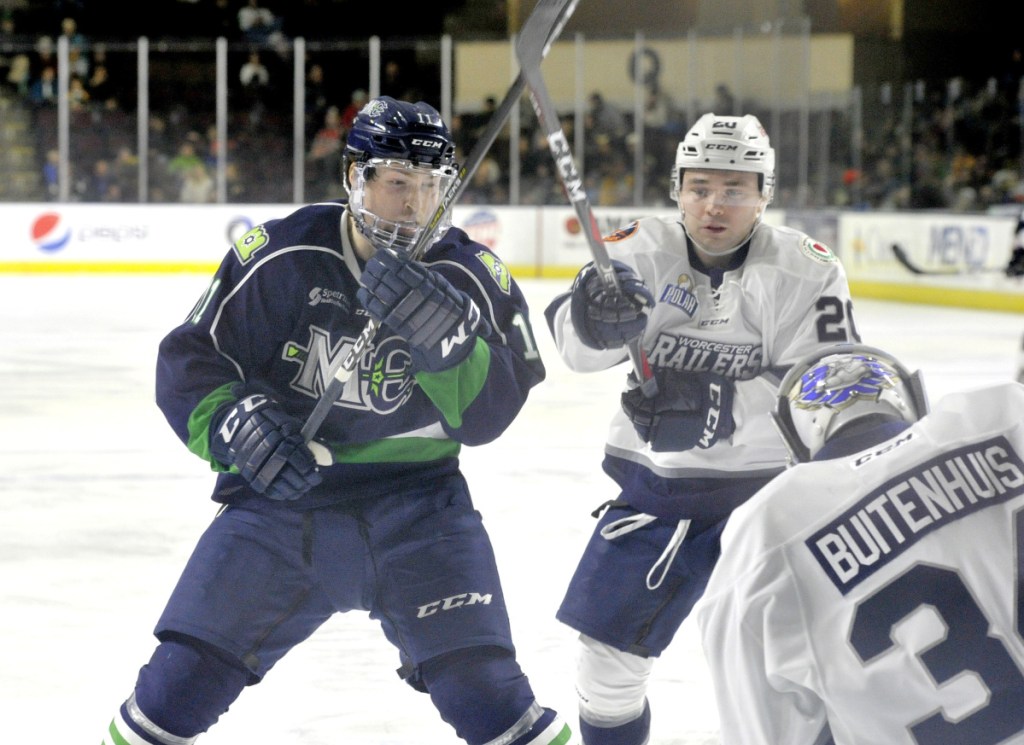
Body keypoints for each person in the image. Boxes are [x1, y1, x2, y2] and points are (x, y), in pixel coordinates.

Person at [100, 96, 571, 745]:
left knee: (489, 697)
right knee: (174, 691)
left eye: (430, 184)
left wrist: (451, 346)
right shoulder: (282, 255)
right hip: (282, 506)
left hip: (421, 508)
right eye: (398, 182)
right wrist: (239, 423)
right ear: (354, 176)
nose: (415, 203)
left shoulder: (469, 275)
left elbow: (492, 413)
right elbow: (190, 360)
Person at [543, 112, 861, 745]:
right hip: (655, 498)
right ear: (676, 188)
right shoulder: (637, 249)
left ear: (765, 194)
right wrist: (593, 321)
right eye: (700, 187)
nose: (715, 204)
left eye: (736, 189)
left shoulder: (807, 269)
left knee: (807, 676)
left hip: (772, 507)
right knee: (605, 669)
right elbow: (573, 348)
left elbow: (831, 394)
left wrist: (714, 406)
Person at [695, 343, 1024, 745]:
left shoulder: (765, 532)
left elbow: (761, 731)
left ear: (796, 441)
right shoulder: (1006, 412)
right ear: (911, 399)